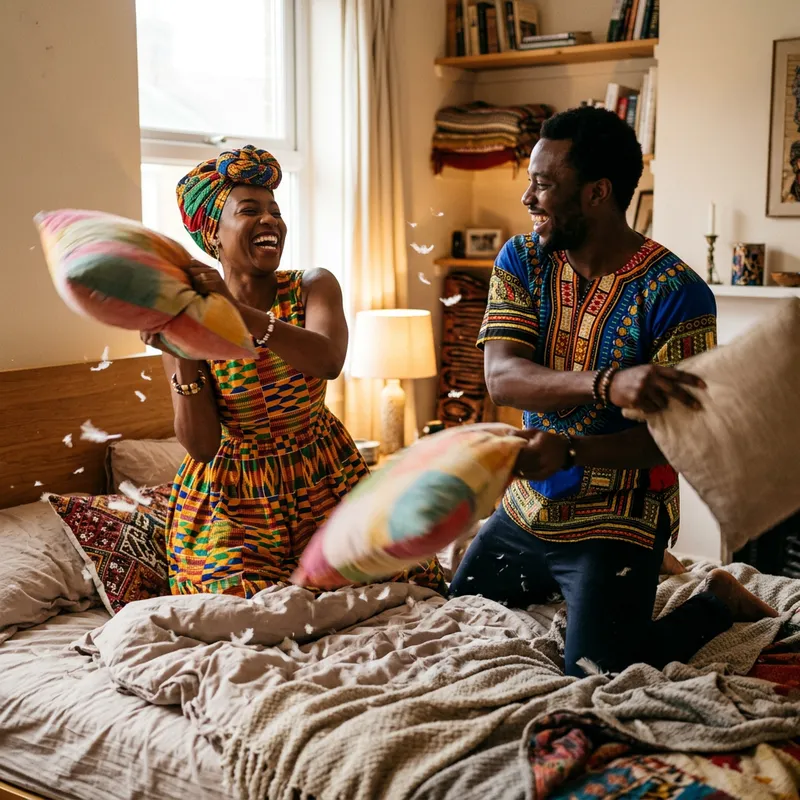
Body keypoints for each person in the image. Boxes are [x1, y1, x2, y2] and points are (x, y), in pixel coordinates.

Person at [450, 107, 776, 676]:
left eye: (545, 184)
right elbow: (502, 377)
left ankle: (717, 599)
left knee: (598, 669)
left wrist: (574, 451)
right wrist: (607, 384)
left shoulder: (679, 292)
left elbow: (678, 440)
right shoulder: (522, 259)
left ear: (598, 192)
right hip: (528, 506)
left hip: (620, 511)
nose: (529, 198)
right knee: (459, 613)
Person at [143, 145, 444, 597]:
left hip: (322, 475)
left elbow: (328, 361)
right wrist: (181, 345)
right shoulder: (189, 318)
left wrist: (234, 313)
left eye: (276, 211)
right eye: (250, 211)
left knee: (391, 579)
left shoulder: (311, 287)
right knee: (234, 603)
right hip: (235, 495)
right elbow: (202, 446)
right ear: (214, 235)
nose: (271, 221)